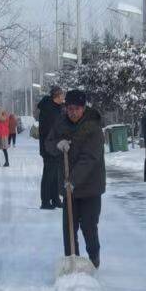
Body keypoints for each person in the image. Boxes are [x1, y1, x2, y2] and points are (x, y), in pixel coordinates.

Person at [55, 88, 105, 267]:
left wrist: (72, 180)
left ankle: (93, 259)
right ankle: (72, 261)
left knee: (89, 227)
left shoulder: (94, 127)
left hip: (90, 186)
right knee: (68, 229)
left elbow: (90, 158)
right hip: (69, 187)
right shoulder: (61, 124)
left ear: (83, 108)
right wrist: (57, 145)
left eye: (76, 108)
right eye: (69, 108)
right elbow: (48, 143)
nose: (73, 112)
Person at [36, 85, 66, 209]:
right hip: (49, 147)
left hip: (56, 147)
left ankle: (55, 199)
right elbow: (49, 130)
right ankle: (45, 201)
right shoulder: (48, 109)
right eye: (62, 95)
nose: (63, 97)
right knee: (49, 174)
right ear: (57, 96)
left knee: (56, 174)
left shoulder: (57, 108)